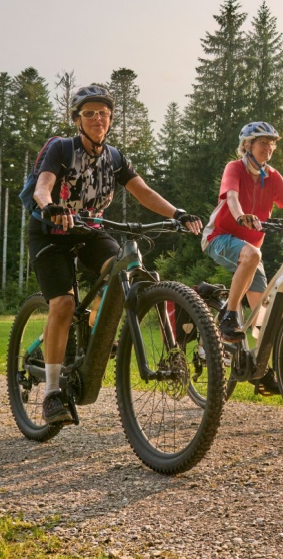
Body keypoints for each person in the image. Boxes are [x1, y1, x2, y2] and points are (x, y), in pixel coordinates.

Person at [29, 84, 202, 425]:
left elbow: (143, 192)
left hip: (90, 230)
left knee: (121, 270)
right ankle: (51, 393)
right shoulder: (62, 149)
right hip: (50, 231)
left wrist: (177, 213)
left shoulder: (115, 158)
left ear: (110, 120)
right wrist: (50, 206)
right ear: (77, 119)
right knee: (63, 304)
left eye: (104, 113)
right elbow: (43, 186)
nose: (98, 118)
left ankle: (97, 330)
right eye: (90, 113)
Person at [200, 121, 283, 395]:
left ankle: (260, 370)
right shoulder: (234, 168)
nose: (268, 147)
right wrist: (240, 216)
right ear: (247, 145)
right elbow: (231, 197)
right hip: (218, 238)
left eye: (271, 144)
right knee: (252, 254)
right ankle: (229, 315)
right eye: (262, 142)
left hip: (250, 251)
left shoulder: (273, 176)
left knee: (263, 315)